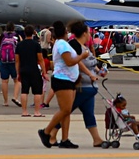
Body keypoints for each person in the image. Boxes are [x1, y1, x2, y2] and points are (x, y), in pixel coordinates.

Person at [39, 20, 90, 149]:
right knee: (65, 109)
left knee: (67, 112)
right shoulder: (62, 44)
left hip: (68, 80)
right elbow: (69, 62)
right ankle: (46, 131)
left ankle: (65, 139)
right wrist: (82, 56)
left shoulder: (62, 43)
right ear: (65, 32)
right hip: (63, 80)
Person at [67, 25, 106, 147]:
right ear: (84, 34)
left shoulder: (85, 48)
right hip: (82, 86)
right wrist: (90, 74)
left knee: (89, 113)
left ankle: (97, 139)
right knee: (66, 111)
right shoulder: (75, 47)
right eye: (88, 32)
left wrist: (99, 71)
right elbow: (77, 63)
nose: (90, 35)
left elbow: (91, 64)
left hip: (91, 86)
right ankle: (49, 132)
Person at [15, 24, 46, 117]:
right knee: (37, 91)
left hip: (23, 69)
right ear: (33, 33)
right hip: (34, 70)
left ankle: (24, 111)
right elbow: (40, 59)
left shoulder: (19, 45)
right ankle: (37, 112)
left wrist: (17, 72)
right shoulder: (36, 45)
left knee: (24, 91)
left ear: (24, 33)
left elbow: (17, 60)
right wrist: (44, 72)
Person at [0, 21, 20, 106]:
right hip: (14, 61)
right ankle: (15, 97)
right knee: (16, 80)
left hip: (3, 61)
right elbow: (19, 48)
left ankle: (5, 101)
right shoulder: (17, 36)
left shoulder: (1, 36)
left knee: (4, 81)